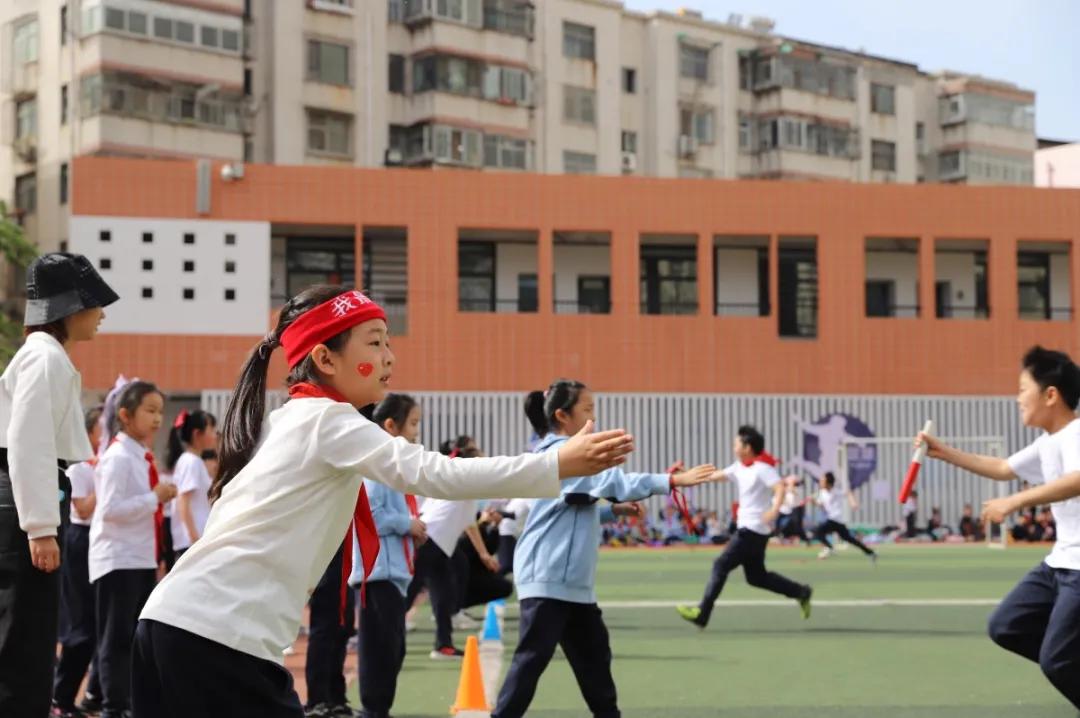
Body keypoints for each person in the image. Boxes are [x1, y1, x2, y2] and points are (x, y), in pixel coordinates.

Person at [130, 286, 634, 717]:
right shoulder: (329, 420)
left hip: (171, 620)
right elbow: (436, 472)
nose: (390, 357)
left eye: (388, 341)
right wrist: (556, 464)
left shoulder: (285, 422)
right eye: (374, 342)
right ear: (325, 359)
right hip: (217, 635)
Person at [491, 379, 720, 718]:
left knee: (594, 662)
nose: (593, 418)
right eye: (587, 409)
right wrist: (672, 481)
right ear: (562, 415)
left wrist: (614, 511)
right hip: (548, 577)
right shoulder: (561, 454)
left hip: (570, 584)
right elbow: (616, 483)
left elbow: (570, 505)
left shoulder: (562, 455)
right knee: (532, 662)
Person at [918, 346, 1080, 710]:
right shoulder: (1048, 442)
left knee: (1058, 661)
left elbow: (1078, 479)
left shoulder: (1076, 433)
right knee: (1007, 626)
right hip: (1060, 563)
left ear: (1051, 395)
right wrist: (944, 452)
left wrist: (1015, 502)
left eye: (1023, 389)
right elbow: (1004, 468)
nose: (1017, 398)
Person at [0, 253, 118, 716]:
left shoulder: (44, 355)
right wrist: (40, 527)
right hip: (25, 498)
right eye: (94, 303)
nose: (101, 314)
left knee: (25, 637)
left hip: (27, 494)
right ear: (70, 308)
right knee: (23, 641)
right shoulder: (45, 356)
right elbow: (28, 440)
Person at [90, 381, 175, 718]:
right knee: (117, 639)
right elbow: (109, 510)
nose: (157, 419)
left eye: (160, 412)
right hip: (118, 558)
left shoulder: (139, 456)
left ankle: (131, 703)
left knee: (138, 638)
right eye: (150, 411)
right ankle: (114, 707)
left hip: (139, 557)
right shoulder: (117, 458)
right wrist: (154, 497)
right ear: (125, 415)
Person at [677, 425, 813, 629]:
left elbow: (779, 487)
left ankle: (702, 613)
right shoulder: (738, 468)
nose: (733, 447)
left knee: (720, 565)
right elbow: (714, 476)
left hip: (751, 530)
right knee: (757, 577)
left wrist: (774, 511)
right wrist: (684, 474)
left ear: (747, 447)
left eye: (736, 444)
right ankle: (801, 592)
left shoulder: (763, 469)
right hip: (754, 533)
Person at [349, 393, 426, 718]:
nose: (416, 432)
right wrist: (407, 524)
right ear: (391, 425)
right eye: (413, 424)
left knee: (393, 648)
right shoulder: (377, 465)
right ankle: (373, 710)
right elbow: (371, 515)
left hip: (391, 572)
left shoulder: (391, 466)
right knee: (380, 650)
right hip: (377, 572)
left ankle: (377, 709)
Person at [51, 406, 105, 718]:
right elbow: (82, 509)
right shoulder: (80, 470)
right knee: (80, 625)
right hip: (79, 542)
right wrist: (105, 481)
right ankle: (61, 699)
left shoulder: (101, 465)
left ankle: (70, 698)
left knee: (94, 626)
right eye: (101, 428)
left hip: (97, 541)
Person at [165, 410, 217, 562]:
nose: (215, 435)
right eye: (211, 430)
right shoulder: (191, 462)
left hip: (195, 539)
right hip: (192, 541)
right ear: (197, 434)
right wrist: (195, 539)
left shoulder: (193, 461)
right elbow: (183, 500)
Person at [814, 472, 877, 562]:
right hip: (834, 520)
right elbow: (821, 505)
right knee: (849, 539)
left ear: (828, 483)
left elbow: (848, 493)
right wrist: (814, 502)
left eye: (822, 481)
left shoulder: (835, 491)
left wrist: (853, 503)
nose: (820, 482)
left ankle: (829, 548)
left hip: (835, 519)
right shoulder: (822, 492)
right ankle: (870, 552)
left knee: (818, 532)